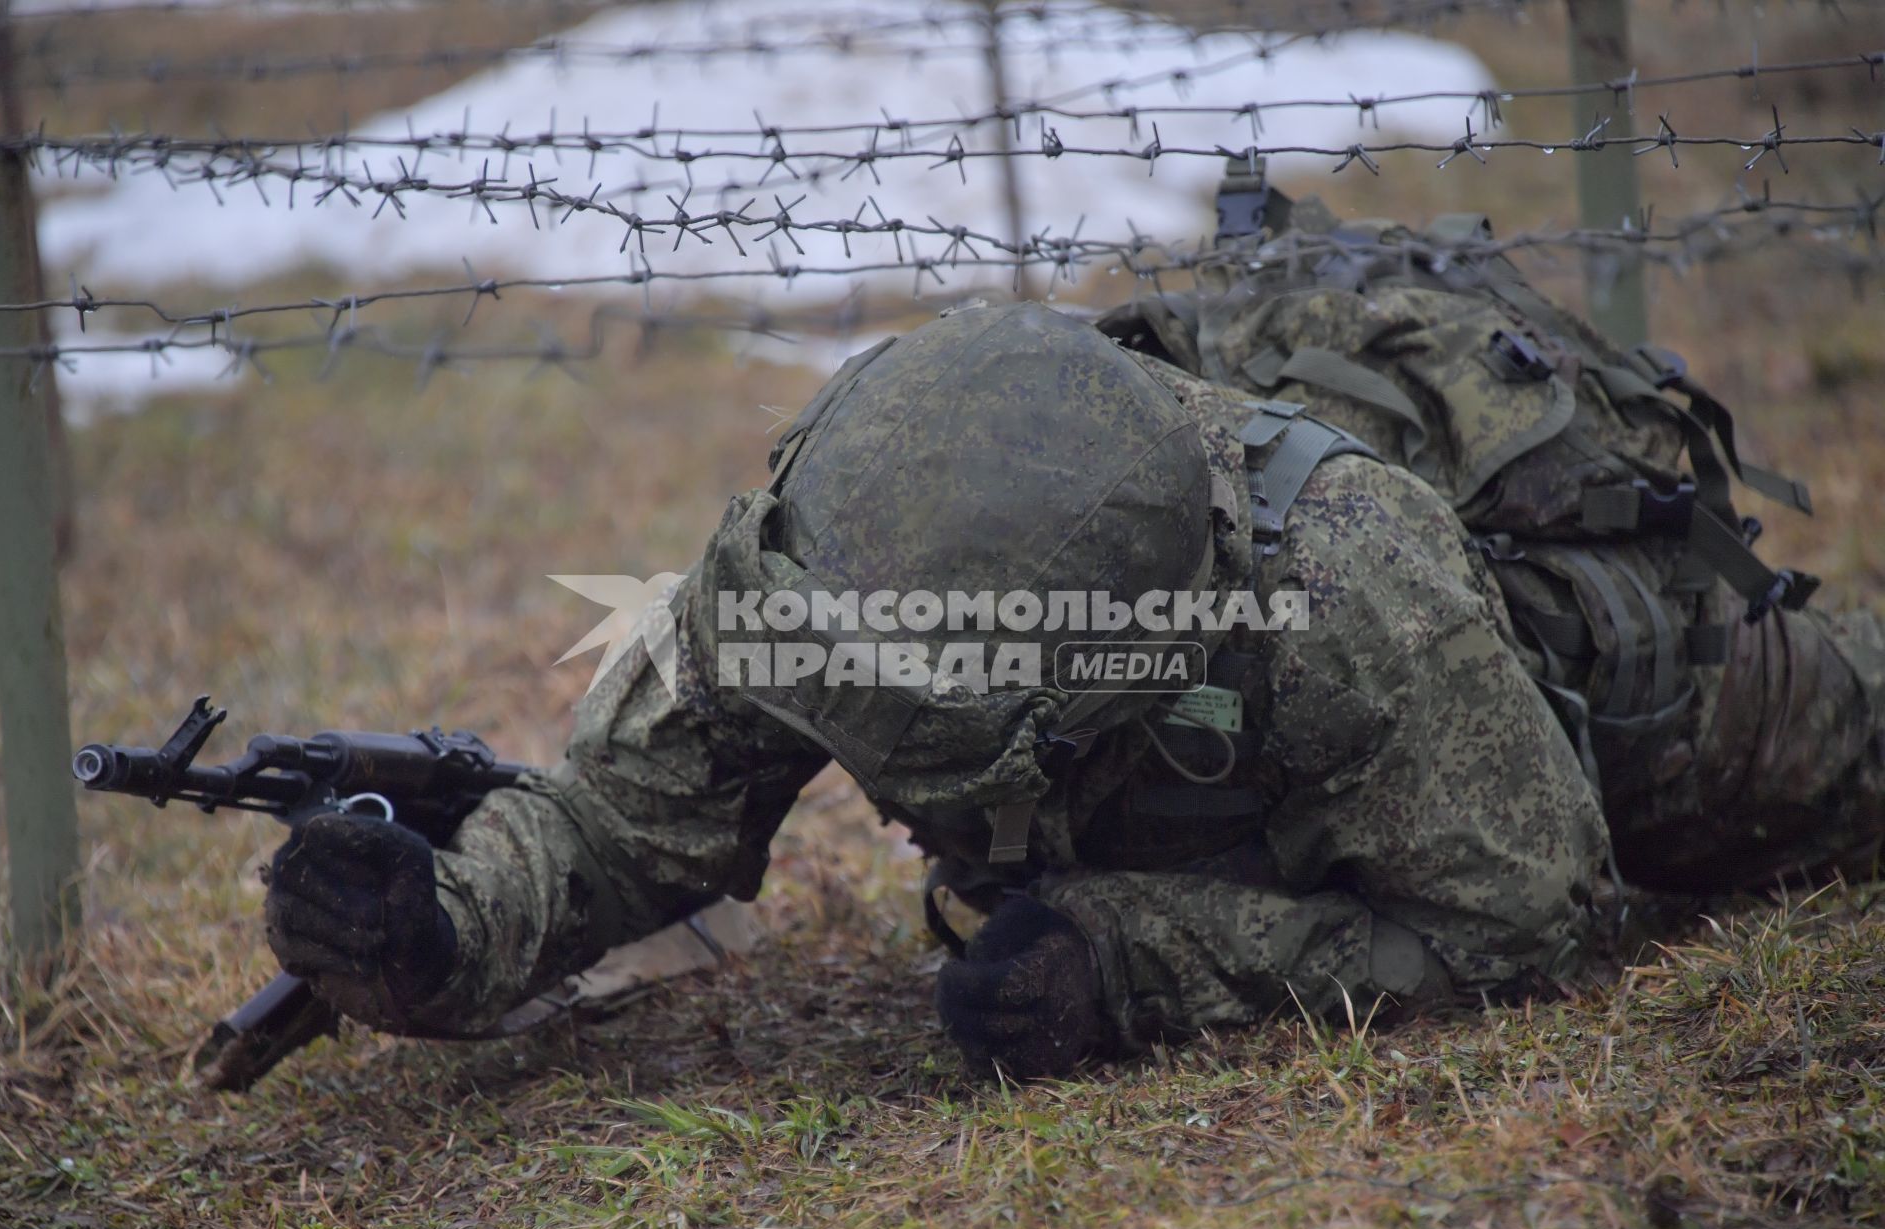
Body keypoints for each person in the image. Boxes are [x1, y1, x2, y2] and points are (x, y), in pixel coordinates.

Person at [263, 299, 1885, 1079]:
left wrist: (1135, 962)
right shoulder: (835, 545)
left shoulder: (1355, 605)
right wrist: (446, 930)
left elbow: (1527, 918)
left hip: (1579, 674)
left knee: (1833, 748)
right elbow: (627, 820)